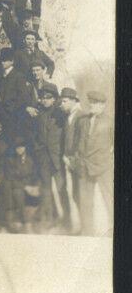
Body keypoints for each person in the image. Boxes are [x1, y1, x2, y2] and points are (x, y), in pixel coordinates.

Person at [76, 91, 114, 236]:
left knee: (110, 199)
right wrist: (78, 160)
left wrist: (109, 160)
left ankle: (115, 231)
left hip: (103, 166)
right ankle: (87, 231)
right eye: (91, 102)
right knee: (85, 200)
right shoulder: (83, 121)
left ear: (103, 106)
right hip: (84, 165)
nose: (92, 105)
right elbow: (79, 143)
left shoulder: (110, 122)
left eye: (95, 103)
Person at [36, 86, 69, 230]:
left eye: (48, 97)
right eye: (43, 97)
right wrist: (38, 150)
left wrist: (63, 153)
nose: (45, 100)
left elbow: (66, 135)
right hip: (43, 157)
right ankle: (48, 219)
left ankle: (66, 219)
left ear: (54, 99)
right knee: (45, 189)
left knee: (62, 188)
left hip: (57, 156)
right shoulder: (39, 114)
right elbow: (36, 135)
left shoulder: (61, 114)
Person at [4, 136, 40, 233]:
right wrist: (25, 187)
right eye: (17, 147)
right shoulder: (11, 160)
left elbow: (36, 175)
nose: (19, 149)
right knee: (17, 192)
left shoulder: (31, 160)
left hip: (31, 186)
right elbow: (11, 177)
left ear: (25, 148)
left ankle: (39, 219)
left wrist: (35, 186)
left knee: (41, 192)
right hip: (19, 186)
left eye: (21, 147)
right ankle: (26, 222)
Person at [0, 48, 34, 141]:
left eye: (5, 60)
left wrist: (12, 109)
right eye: (1, 60)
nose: (2, 63)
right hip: (2, 114)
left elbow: (23, 97)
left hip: (14, 115)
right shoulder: (1, 76)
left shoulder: (18, 76)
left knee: (12, 140)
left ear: (12, 61)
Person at [59, 87, 83, 233]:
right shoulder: (69, 116)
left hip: (77, 162)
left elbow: (81, 141)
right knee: (74, 193)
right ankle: (77, 226)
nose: (62, 104)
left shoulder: (81, 116)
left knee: (79, 194)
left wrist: (73, 159)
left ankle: (84, 226)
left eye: (65, 101)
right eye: (62, 101)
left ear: (74, 101)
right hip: (69, 160)